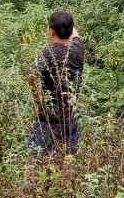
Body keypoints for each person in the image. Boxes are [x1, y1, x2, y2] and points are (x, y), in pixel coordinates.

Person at [27, 11, 84, 155]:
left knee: (36, 161)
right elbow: (76, 35)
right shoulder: (77, 50)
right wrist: (67, 24)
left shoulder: (47, 53)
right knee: (67, 161)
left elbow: (32, 76)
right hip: (72, 119)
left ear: (51, 31)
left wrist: (38, 99)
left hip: (49, 120)